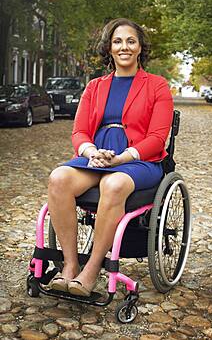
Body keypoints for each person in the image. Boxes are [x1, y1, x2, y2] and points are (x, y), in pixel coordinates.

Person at [48, 18, 173, 296]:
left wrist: (121, 159)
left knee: (113, 184)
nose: (124, 46)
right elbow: (79, 131)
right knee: (58, 178)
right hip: (97, 156)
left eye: (131, 41)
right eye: (118, 41)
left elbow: (156, 138)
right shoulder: (95, 87)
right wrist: (92, 152)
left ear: (140, 47)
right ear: (109, 48)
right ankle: (69, 266)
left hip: (139, 161)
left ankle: (91, 270)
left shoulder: (157, 86)